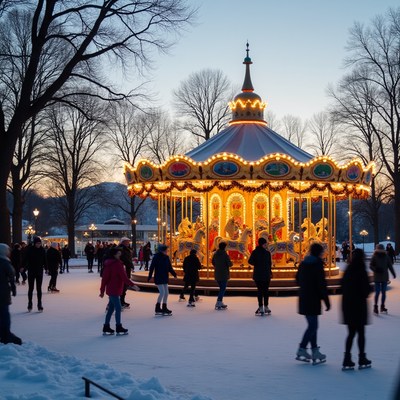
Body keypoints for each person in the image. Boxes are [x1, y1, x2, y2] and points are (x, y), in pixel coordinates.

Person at [295, 242, 330, 364]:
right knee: (313, 326)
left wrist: (305, 287)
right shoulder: (317, 265)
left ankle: (314, 350)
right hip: (313, 299)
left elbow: (297, 279)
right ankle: (302, 349)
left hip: (304, 298)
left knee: (313, 326)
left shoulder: (303, 264)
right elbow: (321, 284)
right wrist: (326, 301)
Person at [341, 248, 373, 370]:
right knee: (360, 333)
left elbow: (342, 285)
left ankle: (347, 358)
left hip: (348, 306)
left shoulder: (348, 270)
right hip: (359, 306)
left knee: (350, 334)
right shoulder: (361, 271)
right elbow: (366, 290)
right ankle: (361, 357)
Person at [99, 247, 135, 335]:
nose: (120, 255)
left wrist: (102, 290)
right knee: (118, 308)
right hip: (114, 290)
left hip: (114, 289)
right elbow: (124, 277)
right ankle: (118, 327)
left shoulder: (110, 264)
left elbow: (105, 279)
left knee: (111, 309)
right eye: (118, 253)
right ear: (114, 255)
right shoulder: (117, 264)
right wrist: (133, 285)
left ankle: (106, 326)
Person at [0, 244, 22, 345]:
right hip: (3, 292)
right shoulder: (5, 263)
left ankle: (3, 333)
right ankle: (6, 335)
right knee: (4, 313)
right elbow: (11, 276)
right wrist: (13, 289)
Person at [148, 244, 177, 316]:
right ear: (162, 251)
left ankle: (164, 307)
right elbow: (152, 267)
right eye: (165, 250)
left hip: (164, 277)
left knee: (166, 293)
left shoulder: (166, 257)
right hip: (158, 276)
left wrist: (174, 274)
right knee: (162, 293)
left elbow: (169, 267)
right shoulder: (156, 257)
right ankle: (157, 308)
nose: (167, 251)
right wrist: (150, 276)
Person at [248, 237, 272, 316]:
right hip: (265, 274)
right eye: (265, 244)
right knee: (265, 291)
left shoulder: (255, 252)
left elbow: (250, 261)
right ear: (262, 244)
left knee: (260, 291)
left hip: (258, 274)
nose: (266, 245)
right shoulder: (267, 253)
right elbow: (269, 264)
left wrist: (257, 264)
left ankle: (261, 306)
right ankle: (265, 306)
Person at [370, 243, 396, 314]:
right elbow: (371, 265)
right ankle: (375, 306)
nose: (380, 251)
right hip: (377, 277)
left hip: (384, 277)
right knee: (378, 292)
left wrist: (393, 273)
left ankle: (382, 306)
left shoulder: (386, 256)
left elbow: (390, 266)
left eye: (381, 249)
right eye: (379, 249)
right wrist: (376, 269)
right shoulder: (374, 256)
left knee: (384, 293)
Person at [24, 236, 46, 312]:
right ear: (34, 243)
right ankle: (30, 303)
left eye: (39, 243)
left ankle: (39, 304)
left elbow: (44, 260)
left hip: (39, 271)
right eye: (37, 243)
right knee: (31, 288)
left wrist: (47, 268)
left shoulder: (42, 250)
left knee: (39, 288)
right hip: (31, 271)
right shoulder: (30, 250)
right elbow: (26, 259)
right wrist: (22, 266)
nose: (38, 245)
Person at [212, 242, 232, 310]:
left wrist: (217, 266)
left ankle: (220, 301)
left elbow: (213, 262)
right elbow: (229, 264)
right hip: (224, 274)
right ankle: (219, 301)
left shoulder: (215, 254)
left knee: (221, 288)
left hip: (217, 273)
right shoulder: (225, 255)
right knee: (222, 289)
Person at [119, 237, 134, 309]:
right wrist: (130, 264)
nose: (128, 243)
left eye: (128, 242)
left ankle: (122, 301)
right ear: (123, 242)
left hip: (127, 269)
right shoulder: (121, 249)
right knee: (123, 286)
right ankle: (120, 302)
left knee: (125, 286)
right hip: (124, 269)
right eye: (127, 242)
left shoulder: (126, 249)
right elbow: (124, 259)